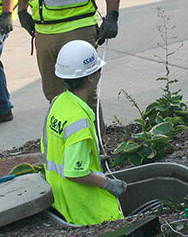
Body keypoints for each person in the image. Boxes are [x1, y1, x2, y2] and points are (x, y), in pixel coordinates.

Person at [41, 40, 126, 225]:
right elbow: (74, 172)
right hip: (84, 206)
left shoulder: (59, 102)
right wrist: (107, 183)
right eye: (98, 70)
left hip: (59, 195)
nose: (100, 74)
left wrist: (90, 157)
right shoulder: (79, 121)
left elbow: (53, 149)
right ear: (90, 77)